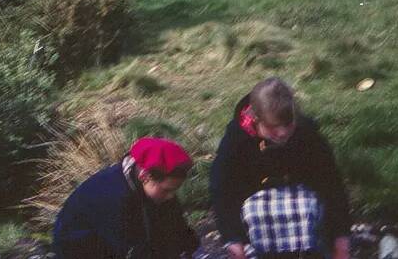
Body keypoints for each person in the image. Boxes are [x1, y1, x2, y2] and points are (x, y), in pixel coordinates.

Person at [209, 77, 351, 259]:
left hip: (301, 202)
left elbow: (331, 183)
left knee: (315, 223)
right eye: (272, 127)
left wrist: (340, 237)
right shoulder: (237, 139)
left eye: (288, 124)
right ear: (255, 118)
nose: (283, 132)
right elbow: (222, 189)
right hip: (253, 206)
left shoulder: (307, 133)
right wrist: (232, 237)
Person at [53, 136, 199, 259]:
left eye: (174, 190)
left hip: (117, 237)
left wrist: (187, 246)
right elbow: (132, 248)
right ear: (145, 176)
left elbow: (175, 224)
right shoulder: (113, 197)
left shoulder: (148, 184)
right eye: (167, 190)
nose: (171, 196)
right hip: (82, 248)